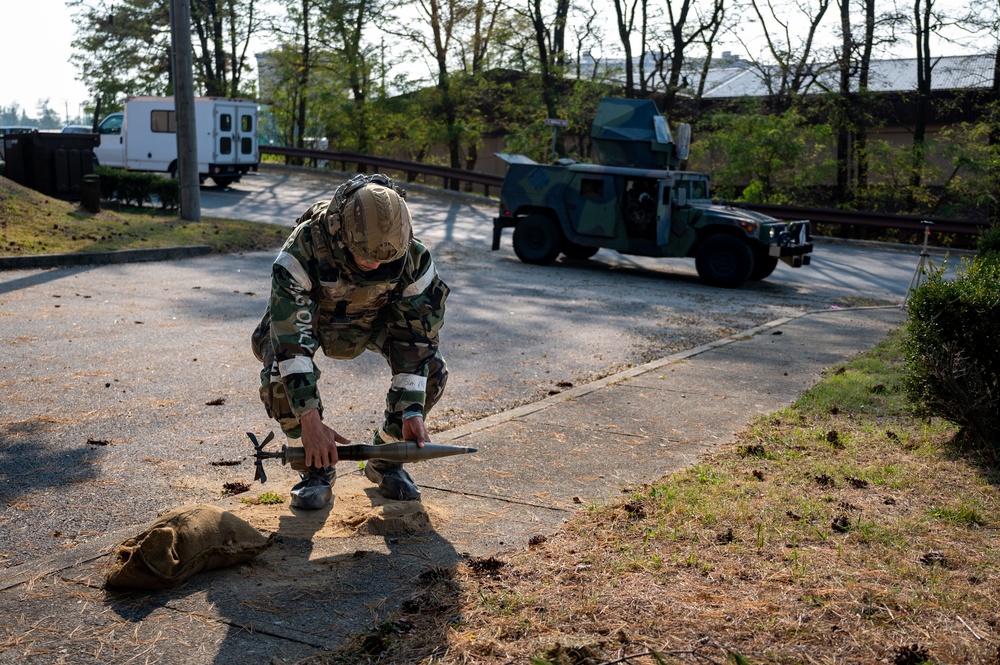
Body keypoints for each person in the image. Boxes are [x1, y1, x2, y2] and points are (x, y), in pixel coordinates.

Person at [251, 173, 449, 510]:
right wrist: (310, 421)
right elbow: (292, 345)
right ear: (342, 235)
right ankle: (316, 467)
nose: (375, 265)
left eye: (385, 260)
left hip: (375, 322)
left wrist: (412, 409)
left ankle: (385, 459)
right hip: (313, 321)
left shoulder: (414, 259)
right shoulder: (303, 251)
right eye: (366, 257)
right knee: (279, 377)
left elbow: (416, 341)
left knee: (431, 371)